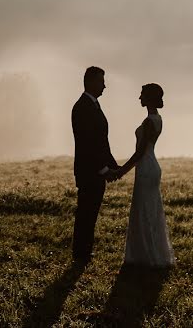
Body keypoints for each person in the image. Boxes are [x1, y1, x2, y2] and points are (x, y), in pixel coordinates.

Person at [116, 83, 176, 268]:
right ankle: (149, 253)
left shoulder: (149, 122)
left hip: (146, 167)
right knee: (150, 210)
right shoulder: (158, 119)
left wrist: (121, 170)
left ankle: (146, 256)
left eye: (142, 95)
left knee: (144, 212)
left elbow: (140, 152)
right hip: (151, 166)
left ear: (148, 98)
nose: (139, 98)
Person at [71, 66, 120, 264]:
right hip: (88, 171)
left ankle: (84, 251)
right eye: (101, 82)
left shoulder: (93, 105)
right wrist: (104, 169)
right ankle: (80, 253)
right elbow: (87, 143)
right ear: (91, 82)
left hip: (95, 170)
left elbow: (102, 141)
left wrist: (113, 165)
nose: (105, 86)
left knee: (91, 212)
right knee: (85, 212)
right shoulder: (82, 107)